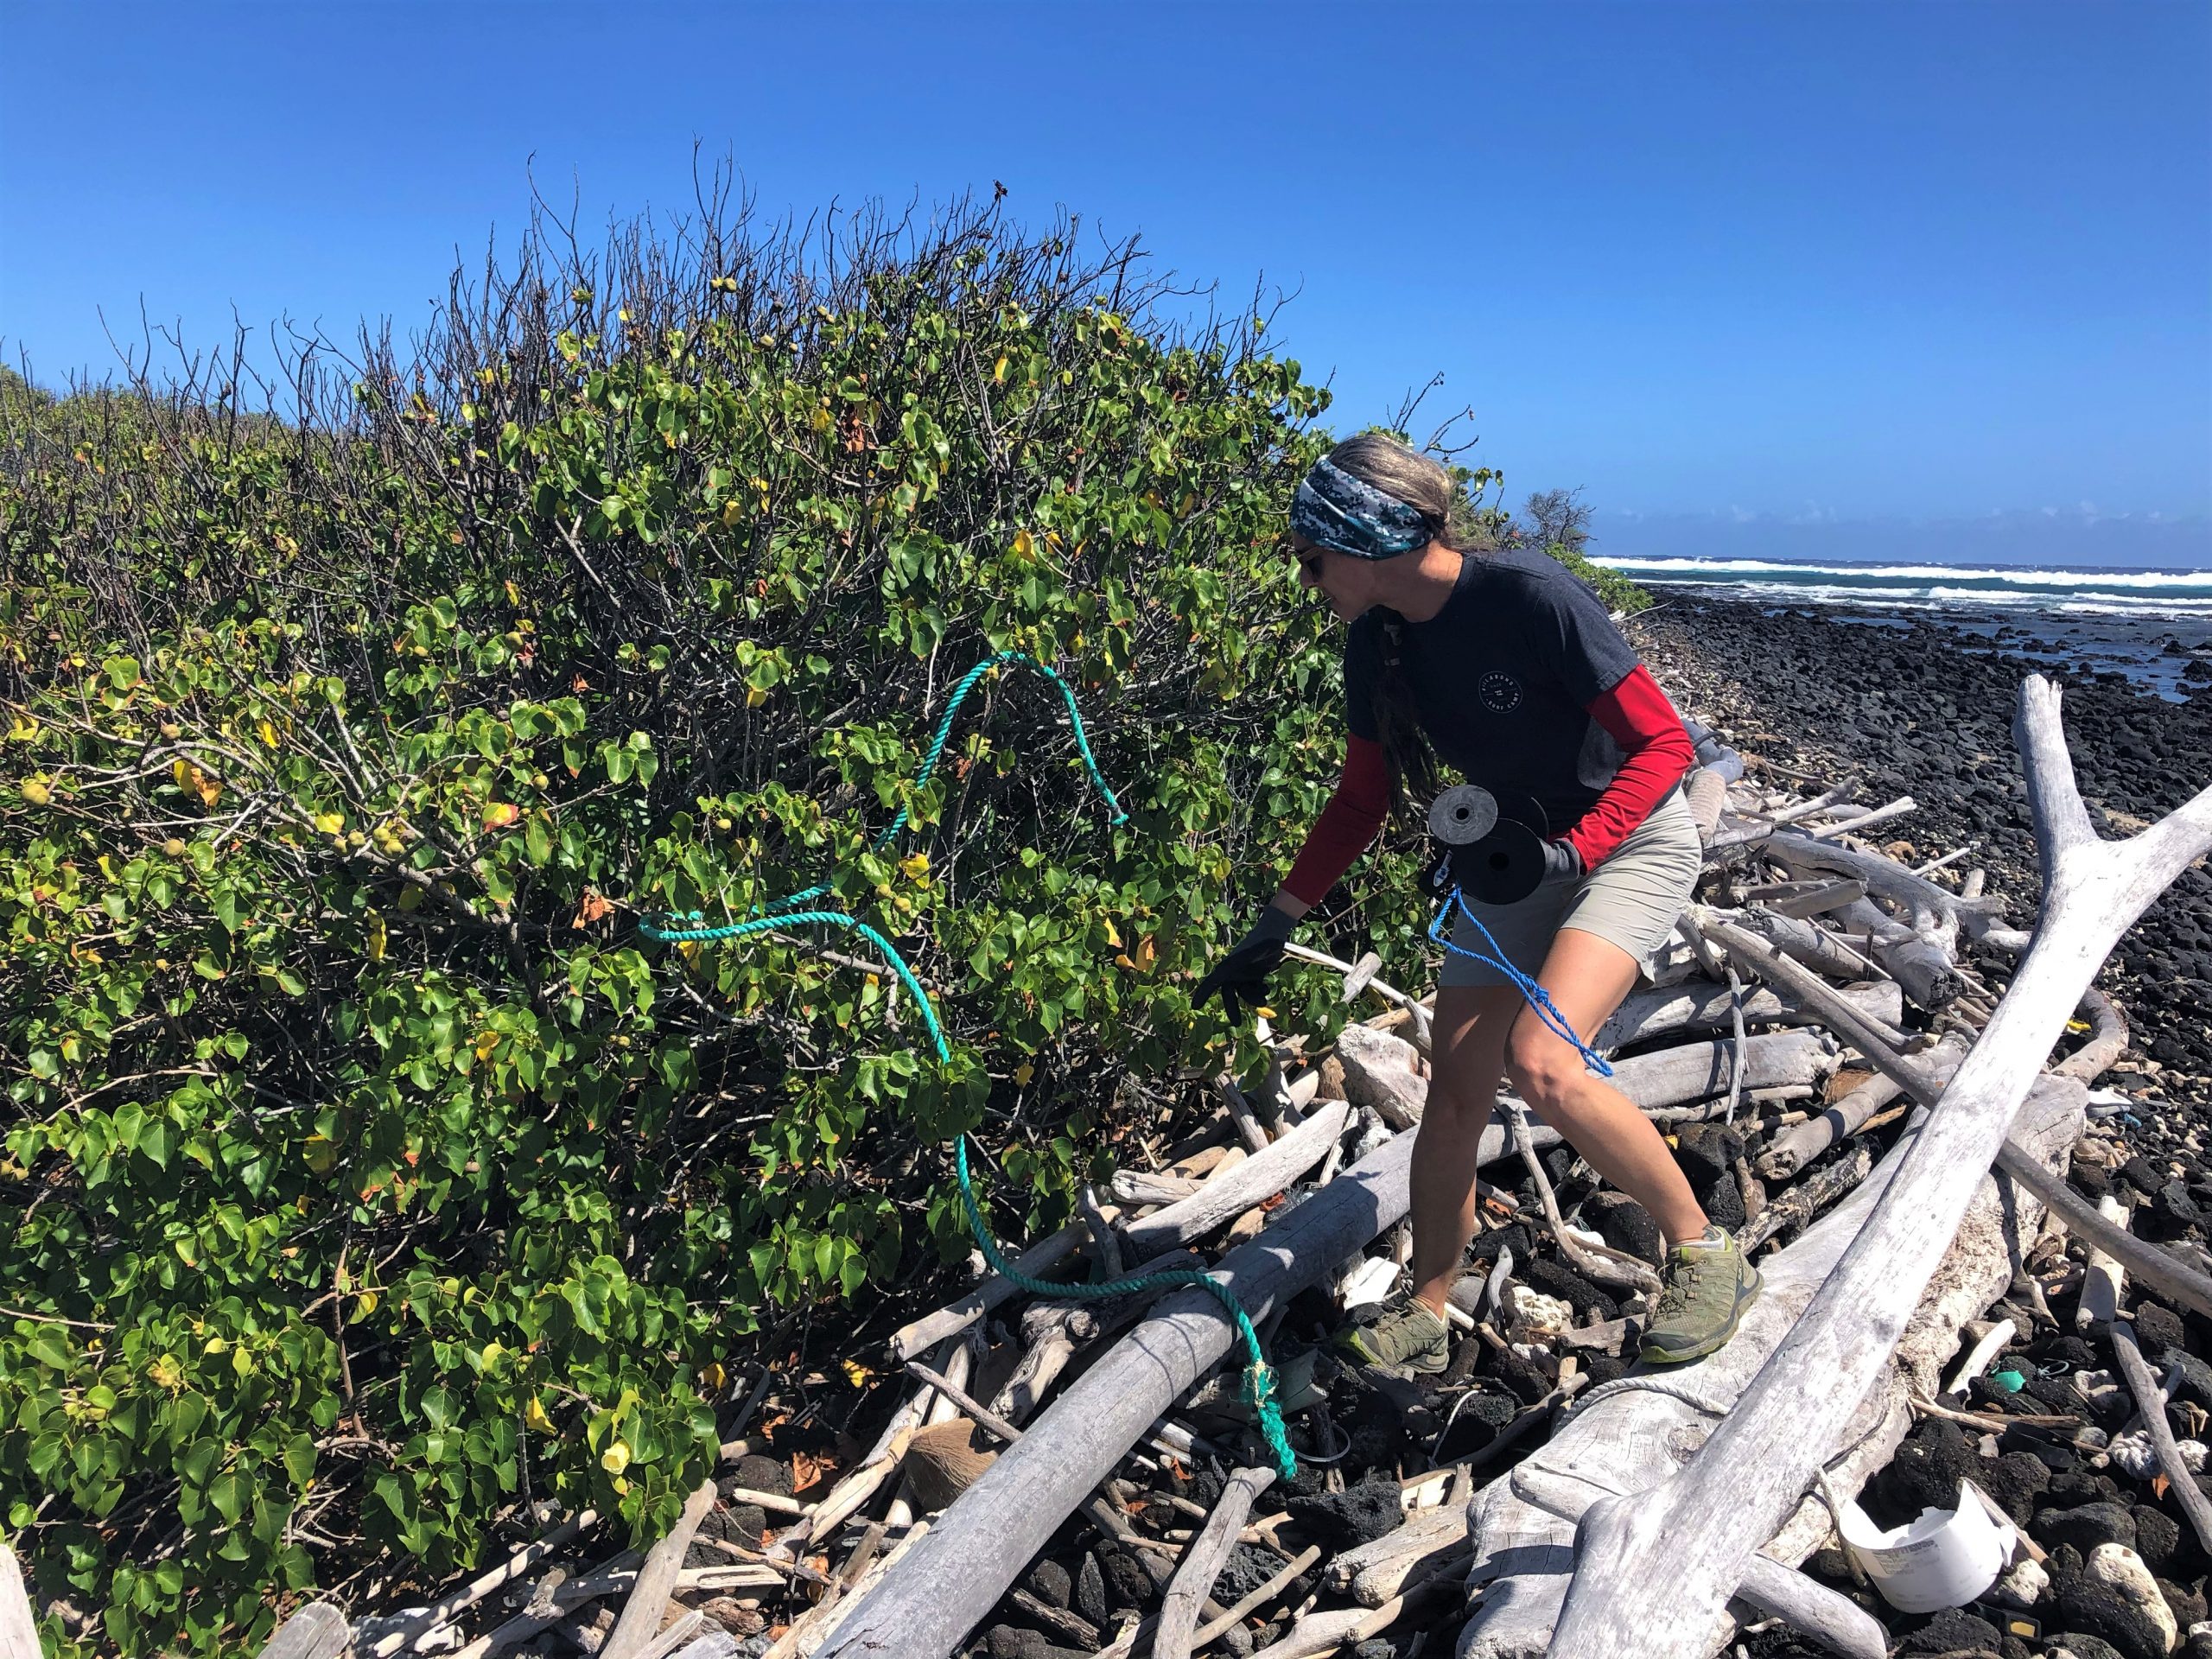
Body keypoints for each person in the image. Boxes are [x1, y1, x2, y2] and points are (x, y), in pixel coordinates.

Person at [1194, 434, 1761, 1372]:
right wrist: (1275, 925)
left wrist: (1572, 849)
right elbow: (1359, 803)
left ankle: (1706, 1253)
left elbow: (1663, 745)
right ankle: (1427, 1303)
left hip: (1630, 841)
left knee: (1542, 1059)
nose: (1308, 580)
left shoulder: (1530, 598)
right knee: (1455, 1088)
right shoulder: (1378, 645)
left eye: (1312, 557)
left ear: (1366, 534)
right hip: (1518, 861)